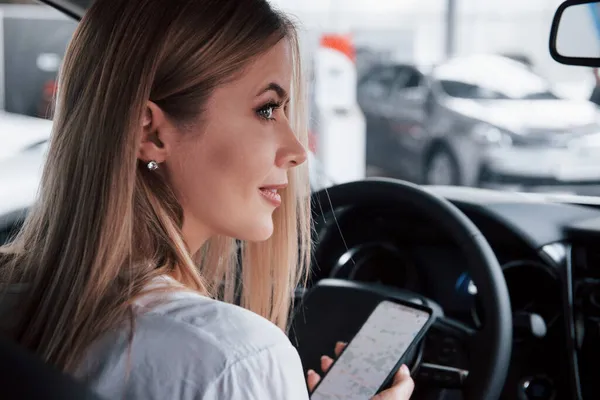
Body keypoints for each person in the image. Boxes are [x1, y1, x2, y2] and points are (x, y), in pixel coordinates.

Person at [0, 0, 414, 399]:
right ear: (151, 134)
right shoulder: (237, 360)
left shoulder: (13, 300)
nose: (297, 150)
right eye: (267, 110)